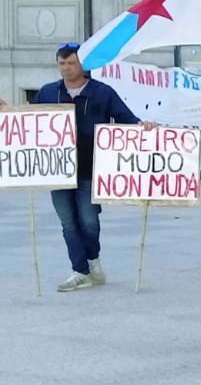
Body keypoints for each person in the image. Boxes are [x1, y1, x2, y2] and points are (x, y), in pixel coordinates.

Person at [4, 44, 148, 291]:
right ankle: (79, 270)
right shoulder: (49, 92)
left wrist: (143, 127)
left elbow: (126, 119)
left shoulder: (102, 93)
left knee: (89, 220)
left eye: (70, 63)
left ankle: (92, 262)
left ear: (83, 65)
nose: (66, 68)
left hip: (91, 168)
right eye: (61, 64)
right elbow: (29, 123)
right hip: (56, 168)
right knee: (68, 222)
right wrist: (8, 112)